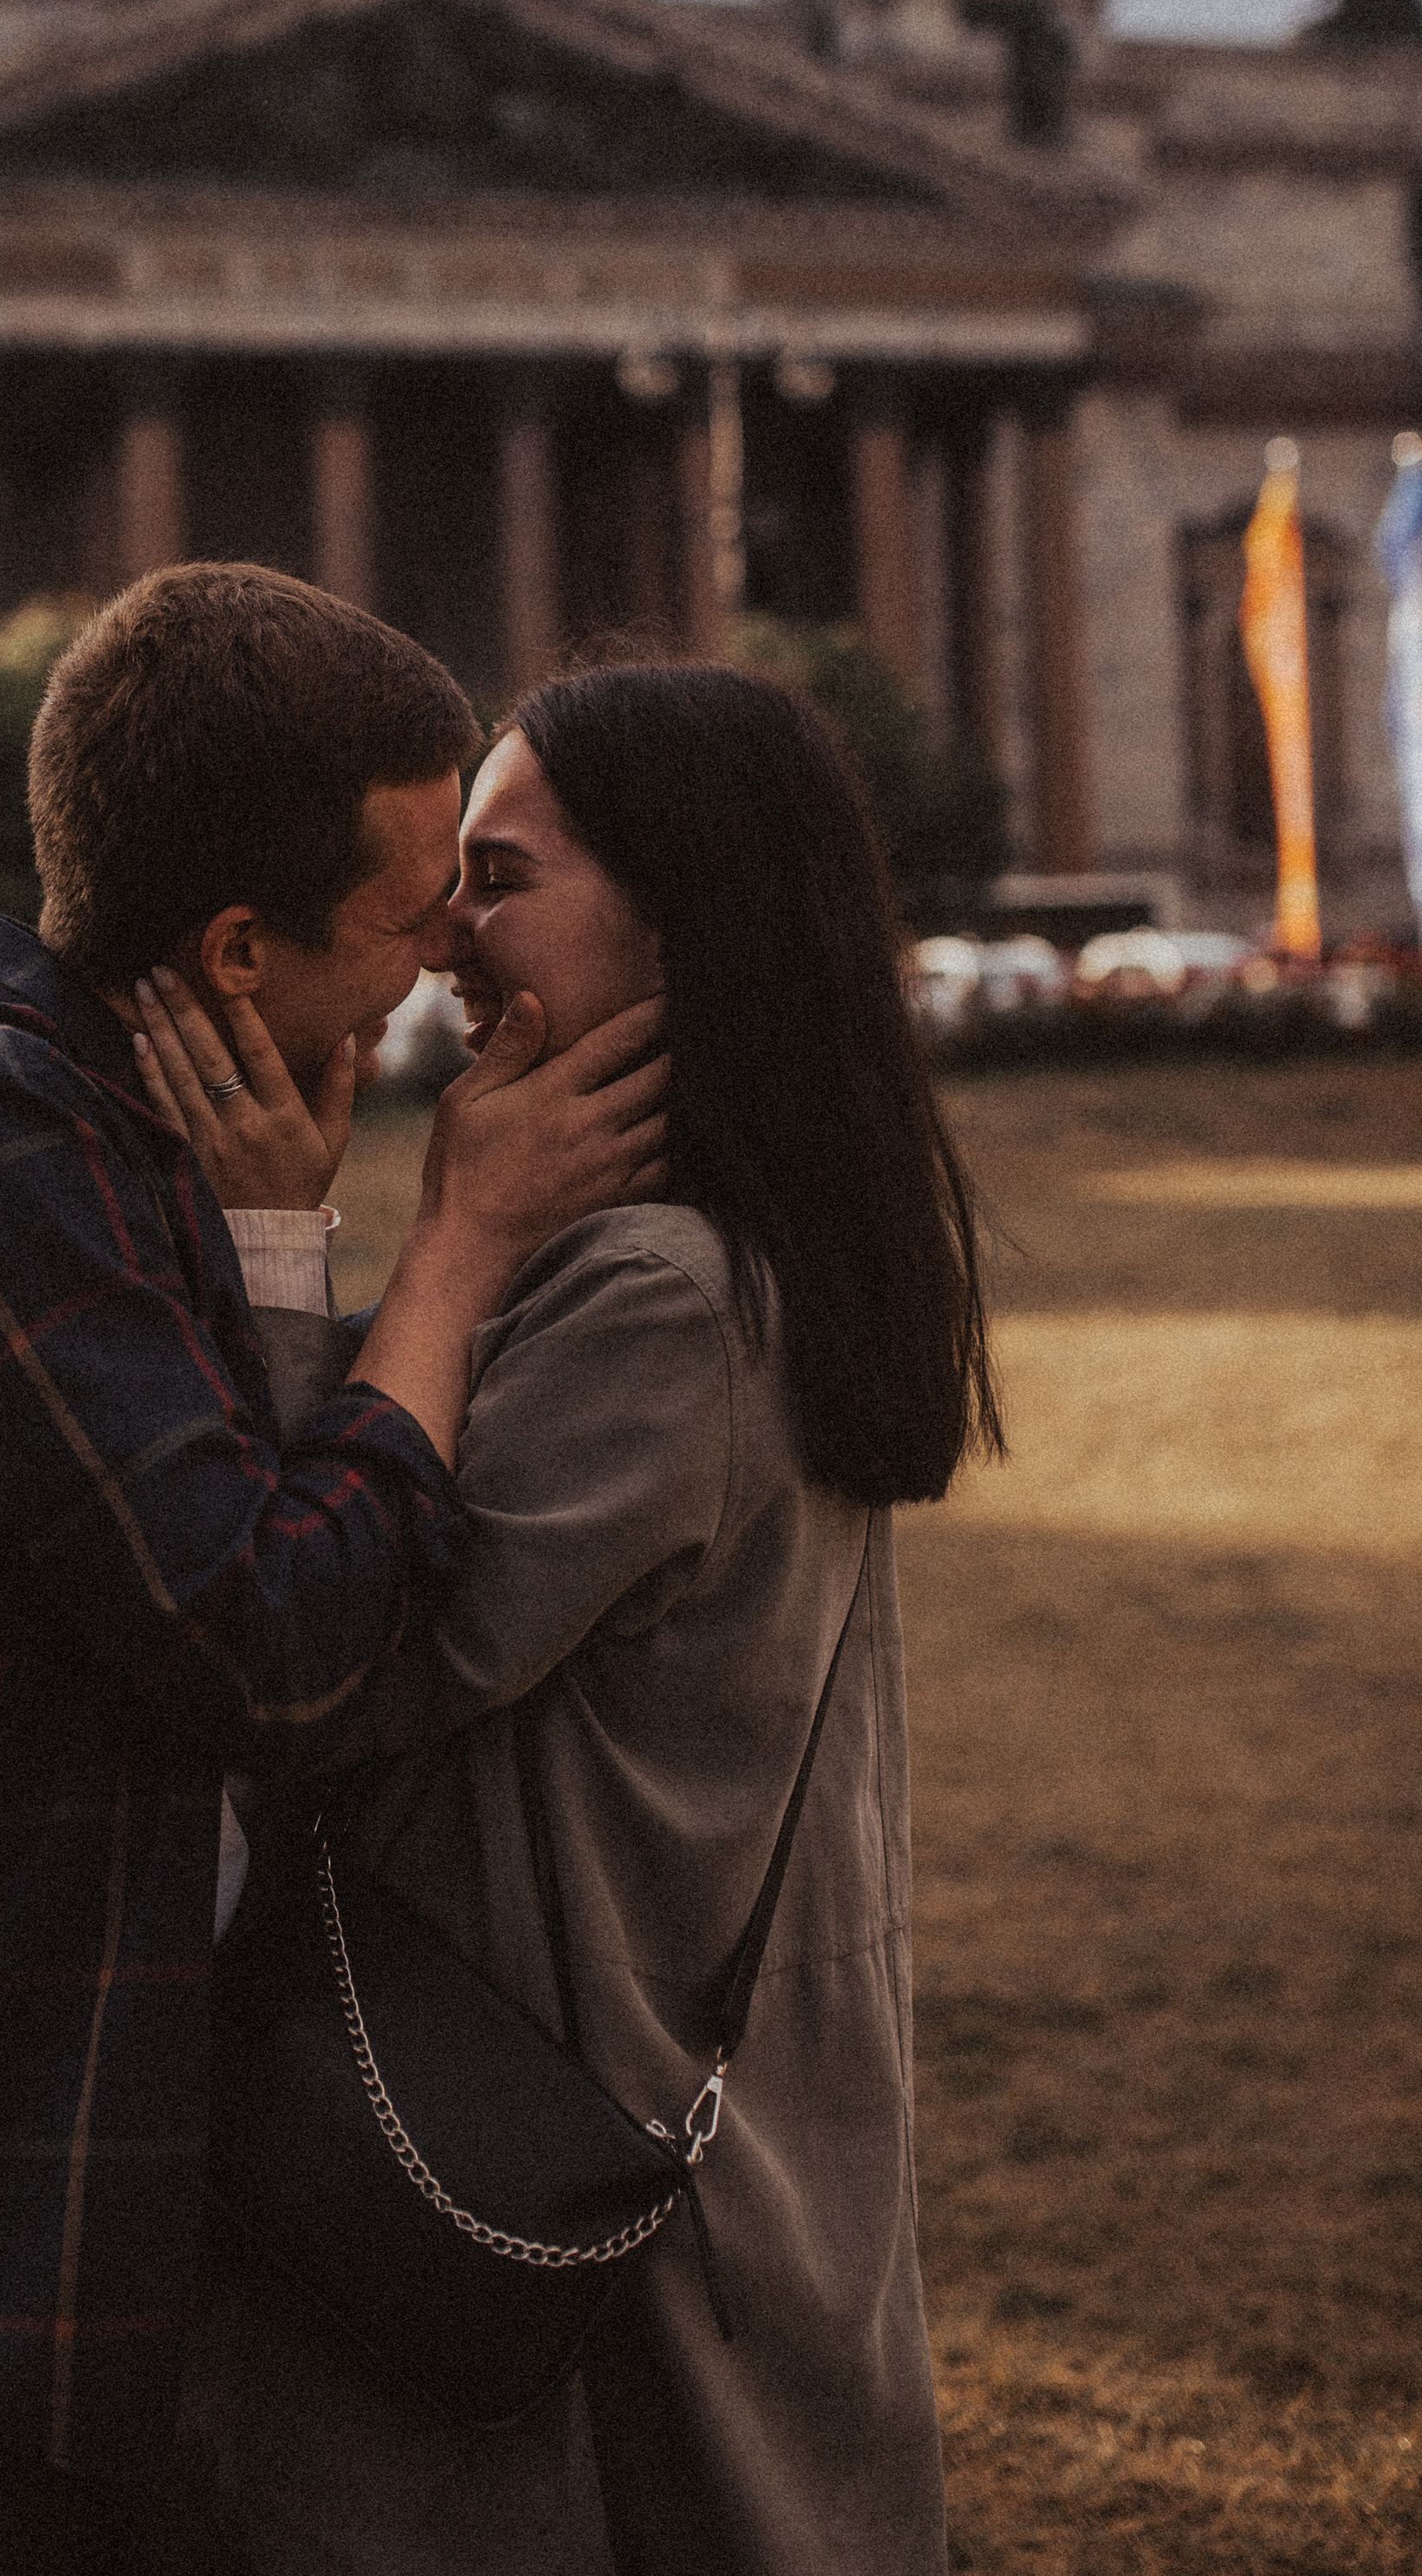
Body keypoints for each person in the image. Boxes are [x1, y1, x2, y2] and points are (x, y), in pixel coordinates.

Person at [0, 565, 667, 2576]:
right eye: (408, 913)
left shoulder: (112, 1135)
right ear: (234, 947)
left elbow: (233, 1534)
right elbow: (276, 1643)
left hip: (84, 2213)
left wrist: (284, 1253)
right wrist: (457, 1250)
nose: (438, 963)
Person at [140, 657, 1000, 2576]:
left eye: (498, 874)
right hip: (662, 2108)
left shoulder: (660, 1300)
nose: (446, 926)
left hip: (525, 2127)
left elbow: (319, 1652)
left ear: (680, 920)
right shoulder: (731, 1249)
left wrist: (307, 1252)